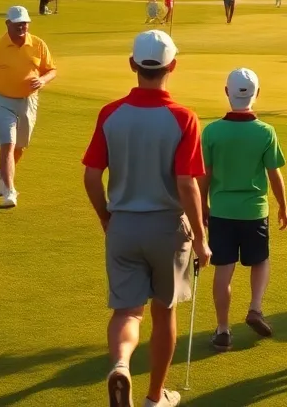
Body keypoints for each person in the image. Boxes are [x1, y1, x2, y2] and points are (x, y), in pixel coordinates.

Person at [81, 30, 211, 407]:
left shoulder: (111, 113)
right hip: (166, 228)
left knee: (127, 311)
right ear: (172, 65)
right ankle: (155, 397)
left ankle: (121, 364)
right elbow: (187, 184)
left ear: (133, 65)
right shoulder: (183, 117)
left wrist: (107, 217)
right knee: (164, 310)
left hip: (123, 225)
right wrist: (201, 237)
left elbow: (91, 176)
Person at [200, 68, 287, 351]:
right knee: (260, 260)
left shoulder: (212, 131)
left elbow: (205, 174)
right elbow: (274, 174)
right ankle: (255, 307)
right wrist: (283, 206)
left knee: (223, 271)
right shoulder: (265, 131)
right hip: (254, 210)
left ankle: (223, 329)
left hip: (222, 212)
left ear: (227, 92)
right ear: (257, 94)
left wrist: (201, 205)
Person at [0, 6, 57, 208]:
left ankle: (1, 173)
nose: (22, 26)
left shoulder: (38, 44)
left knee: (20, 147)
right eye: (17, 23)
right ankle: (10, 190)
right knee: (8, 143)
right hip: (2, 101)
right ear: (8, 24)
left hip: (28, 101)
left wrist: (43, 80)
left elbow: (51, 70)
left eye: (25, 23)